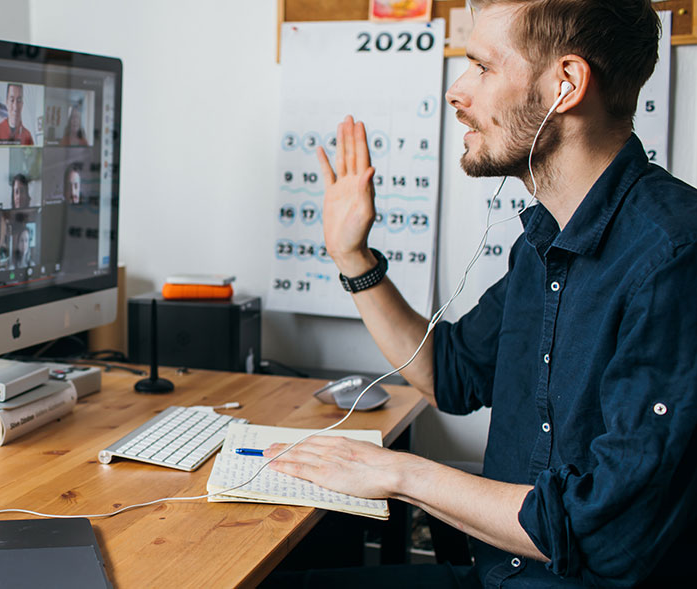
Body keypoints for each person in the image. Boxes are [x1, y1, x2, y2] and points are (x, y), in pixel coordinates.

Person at [264, 1, 697, 587]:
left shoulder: (674, 257)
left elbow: (606, 534)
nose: (457, 92)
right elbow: (450, 372)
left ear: (566, 84)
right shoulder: (543, 242)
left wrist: (400, 475)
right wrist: (353, 258)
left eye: (482, 67)